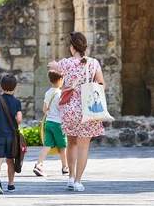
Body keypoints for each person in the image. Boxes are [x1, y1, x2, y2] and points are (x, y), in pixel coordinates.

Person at [48, 32, 105, 192]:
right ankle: (79, 181)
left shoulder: (65, 63)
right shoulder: (93, 63)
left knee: (71, 144)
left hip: (69, 109)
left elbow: (54, 68)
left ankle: (71, 178)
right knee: (83, 147)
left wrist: (54, 64)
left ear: (72, 47)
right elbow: (102, 85)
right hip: (88, 109)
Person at [33, 70, 68, 177]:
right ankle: (65, 167)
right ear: (61, 80)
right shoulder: (61, 94)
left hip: (48, 123)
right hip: (58, 124)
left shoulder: (48, 92)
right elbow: (64, 110)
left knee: (47, 145)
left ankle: (39, 164)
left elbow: (44, 109)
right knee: (63, 147)